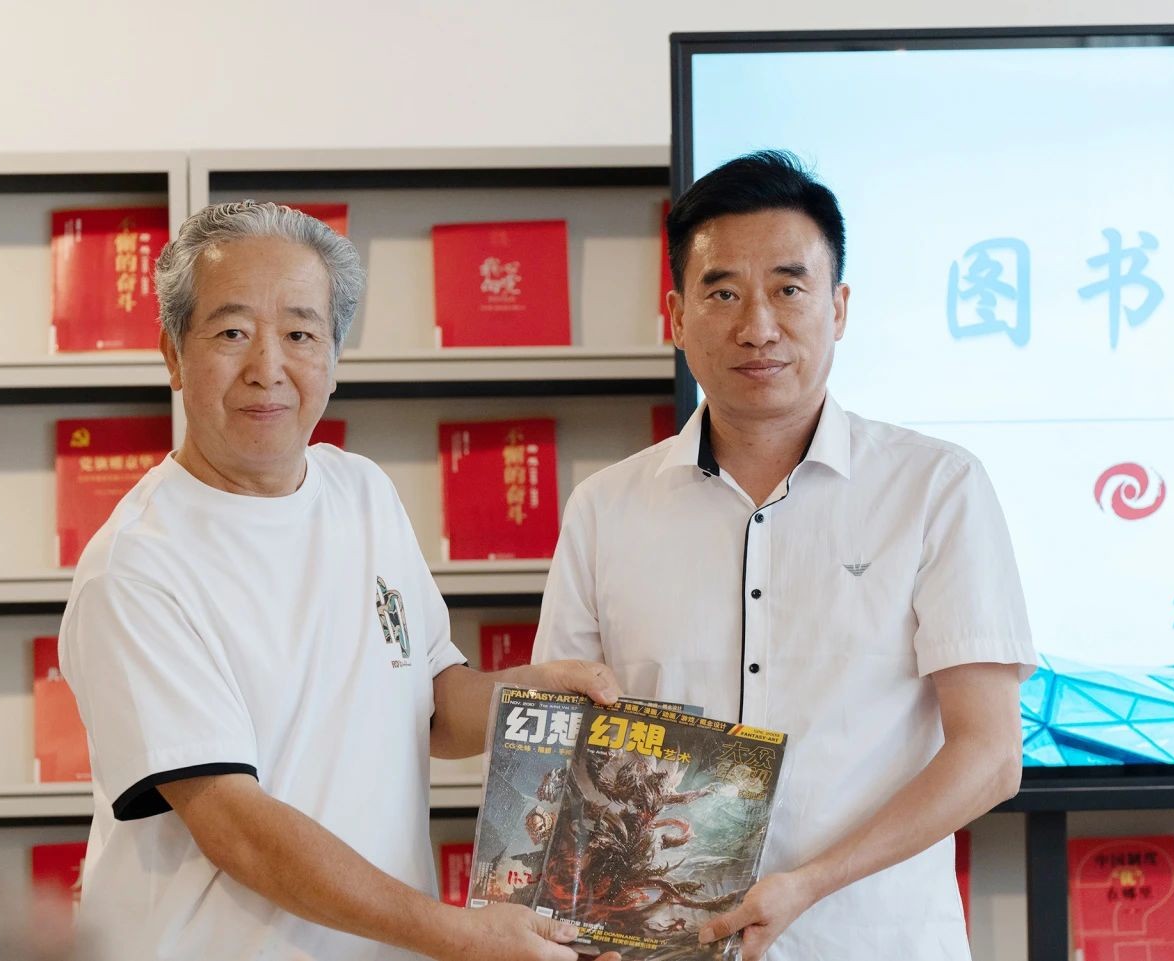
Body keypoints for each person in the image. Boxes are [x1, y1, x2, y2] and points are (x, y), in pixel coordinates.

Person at [59, 201, 621, 961]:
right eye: (232, 332)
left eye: (300, 334)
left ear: (334, 356)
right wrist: (455, 933)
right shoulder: (137, 563)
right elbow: (234, 826)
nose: (268, 367)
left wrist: (531, 698)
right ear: (173, 353)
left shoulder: (363, 492)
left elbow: (429, 706)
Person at [533, 151, 1036, 960]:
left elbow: (991, 754)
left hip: (874, 941)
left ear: (838, 307)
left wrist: (811, 881)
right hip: (660, 947)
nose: (758, 326)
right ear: (676, 316)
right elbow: (560, 744)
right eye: (723, 292)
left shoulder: (937, 487)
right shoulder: (604, 509)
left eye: (789, 290)